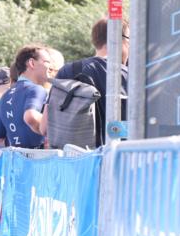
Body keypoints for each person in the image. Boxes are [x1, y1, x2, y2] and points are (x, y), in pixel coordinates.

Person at [51, 17, 129, 147]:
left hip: (72, 160)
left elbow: (45, 126)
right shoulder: (128, 76)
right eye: (129, 41)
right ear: (118, 40)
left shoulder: (66, 72)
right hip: (112, 161)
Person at [0, 46, 51, 150]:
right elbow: (30, 116)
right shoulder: (36, 89)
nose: (50, 67)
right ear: (32, 63)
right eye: (47, 62)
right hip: (39, 160)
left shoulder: (5, 95)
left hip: (16, 161)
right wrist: (50, 130)